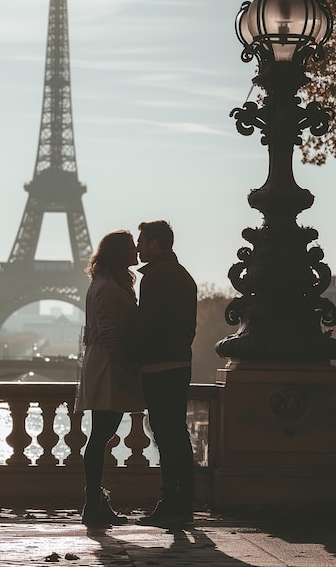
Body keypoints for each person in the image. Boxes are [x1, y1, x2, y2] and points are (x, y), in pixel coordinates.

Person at [75, 230, 143, 527]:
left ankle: (95, 503)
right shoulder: (107, 286)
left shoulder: (106, 283)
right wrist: (121, 364)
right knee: (102, 432)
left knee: (101, 433)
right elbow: (108, 329)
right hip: (107, 364)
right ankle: (94, 504)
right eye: (131, 247)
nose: (137, 250)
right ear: (119, 253)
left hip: (104, 361)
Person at [134, 220, 198, 527]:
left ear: (156, 244)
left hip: (158, 366)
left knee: (164, 435)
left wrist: (130, 358)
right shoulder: (185, 277)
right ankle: (183, 502)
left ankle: (169, 503)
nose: (138, 246)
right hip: (179, 364)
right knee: (178, 434)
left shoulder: (154, 278)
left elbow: (145, 325)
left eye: (142, 241)